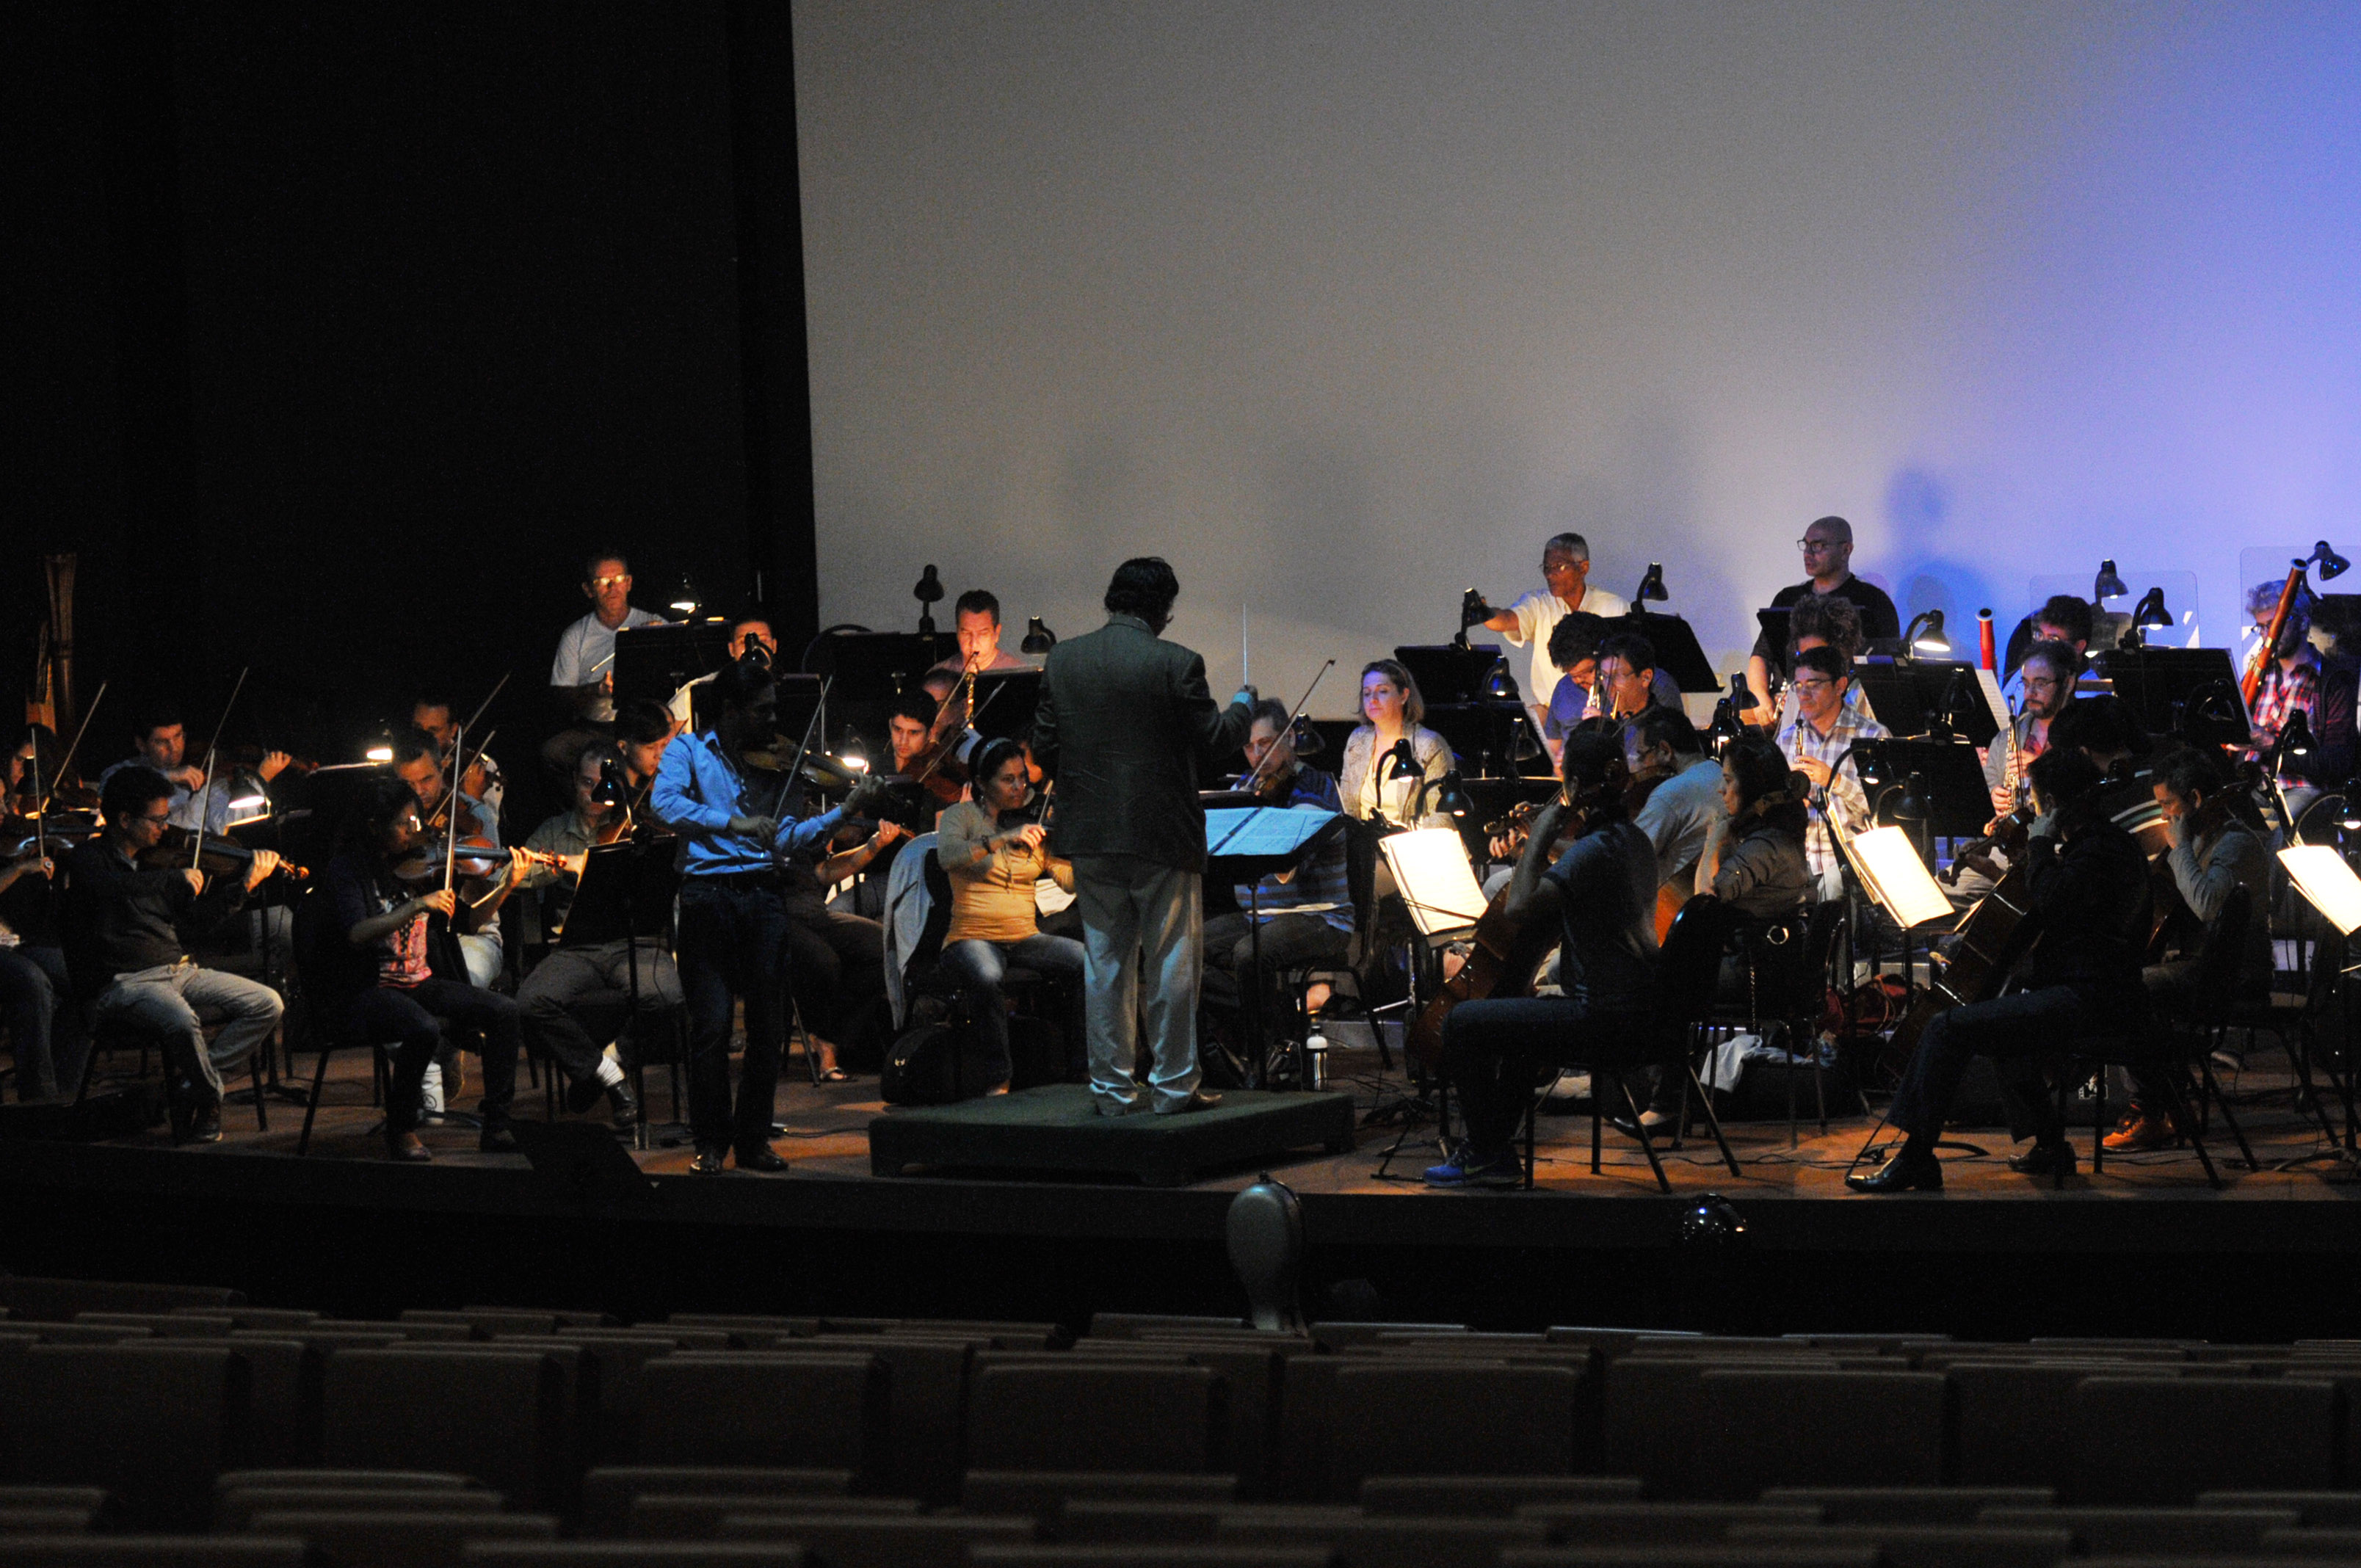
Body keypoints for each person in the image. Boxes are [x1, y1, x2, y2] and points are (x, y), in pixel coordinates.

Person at [1849, 747, 2153, 1191]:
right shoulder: (2109, 845)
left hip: (2091, 1002)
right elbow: (2056, 903)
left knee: (1945, 1027)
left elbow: (2052, 902)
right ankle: (2050, 1144)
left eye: (2038, 799)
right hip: (2103, 995)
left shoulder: (2097, 854)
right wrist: (2020, 858)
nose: (2033, 809)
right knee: (2008, 1032)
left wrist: (2041, 845)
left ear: (2054, 803)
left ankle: (1916, 1157)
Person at [1032, 556, 1254, 1117]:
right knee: (1172, 961)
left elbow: (1043, 746)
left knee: (1105, 964)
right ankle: (1174, 1087)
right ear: (1163, 609)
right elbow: (1215, 741)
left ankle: (1111, 1091)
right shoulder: (1176, 663)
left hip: (1089, 833)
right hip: (1162, 834)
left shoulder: (1064, 660)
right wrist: (1245, 708)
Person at [654, 658, 894, 1171]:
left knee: (768, 1024)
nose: (771, 721)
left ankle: (754, 1139)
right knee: (712, 1027)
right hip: (706, 895)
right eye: (761, 711)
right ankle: (711, 1141)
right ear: (731, 708)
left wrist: (845, 811)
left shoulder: (775, 763)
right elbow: (666, 805)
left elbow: (787, 838)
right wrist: (733, 822)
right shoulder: (688, 750)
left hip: (763, 895)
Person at [1424, 731, 1659, 1188]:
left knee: (1462, 1022)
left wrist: (1540, 836)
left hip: (1600, 1019)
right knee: (1522, 1032)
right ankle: (1492, 1151)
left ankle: (1486, 1151)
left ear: (1572, 785)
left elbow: (1518, 907)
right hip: (1635, 1015)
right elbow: (1580, 862)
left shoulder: (1598, 848)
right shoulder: (1631, 839)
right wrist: (1541, 843)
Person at [66, 766, 286, 1144]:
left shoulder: (158, 860)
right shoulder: (88, 860)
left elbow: (196, 925)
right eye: (157, 819)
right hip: (124, 983)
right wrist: (172, 878)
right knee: (181, 1020)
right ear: (124, 819)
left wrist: (244, 886)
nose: (165, 828)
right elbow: (113, 889)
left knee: (267, 1003)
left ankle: (191, 1086)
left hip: (179, 970)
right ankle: (210, 1100)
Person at [316, 775, 526, 1161]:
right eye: (403, 825)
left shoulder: (420, 866)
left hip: (419, 981)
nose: (415, 833)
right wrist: (415, 905)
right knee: (422, 1027)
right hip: (368, 986)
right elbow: (357, 933)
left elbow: (470, 922)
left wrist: (507, 886)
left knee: (505, 1011)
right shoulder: (348, 870)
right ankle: (401, 1128)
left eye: (417, 822)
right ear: (375, 827)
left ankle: (498, 1124)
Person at [512, 738, 683, 1134]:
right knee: (531, 1001)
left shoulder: (641, 828)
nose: (594, 794)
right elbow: (519, 877)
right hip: (575, 949)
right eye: (587, 783)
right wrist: (554, 868)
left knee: (667, 997)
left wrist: (594, 863)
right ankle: (612, 1077)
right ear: (574, 782)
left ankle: (607, 1064)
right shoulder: (554, 832)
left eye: (602, 785)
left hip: (636, 943)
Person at [2106, 749, 2274, 1152]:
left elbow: (2205, 904)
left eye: (2167, 805)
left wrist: (2180, 849)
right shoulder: (2205, 838)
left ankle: (2152, 1109)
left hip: (2233, 976)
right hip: (2200, 965)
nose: (2163, 816)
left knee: (2129, 990)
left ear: (2196, 800)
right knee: (2126, 983)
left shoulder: (2235, 845)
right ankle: (2167, 1100)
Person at [932, 738, 1083, 1094]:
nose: (1019, 788)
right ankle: (998, 1079)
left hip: (1024, 936)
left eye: (1022, 779)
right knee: (987, 974)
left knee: (1085, 962)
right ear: (983, 784)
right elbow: (948, 857)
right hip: (970, 936)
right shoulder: (962, 816)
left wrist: (1082, 849)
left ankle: (1083, 1070)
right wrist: (1002, 838)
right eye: (1007, 780)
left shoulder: (1034, 825)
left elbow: (1068, 882)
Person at [1203, 700, 1353, 1020]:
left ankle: (1268, 1043)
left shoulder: (1316, 788)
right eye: (1248, 746)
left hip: (1320, 918)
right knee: (1184, 949)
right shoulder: (1243, 788)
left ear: (1291, 739)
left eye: (1266, 743)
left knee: (1249, 953)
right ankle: (1278, 1018)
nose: (1257, 756)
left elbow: (1288, 868)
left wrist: (1263, 818)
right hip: (1259, 914)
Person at [1745, 517, 1901, 723]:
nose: (1808, 553)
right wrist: (1761, 699)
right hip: (1783, 708)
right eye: (1806, 545)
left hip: (1844, 711)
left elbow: (1885, 673)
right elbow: (1761, 656)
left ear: (1846, 550)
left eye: (1818, 546)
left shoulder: (1874, 602)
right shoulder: (1788, 598)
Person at [1476, 533, 1631, 734]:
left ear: (1583, 567)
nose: (1550, 575)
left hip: (1605, 712)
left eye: (1559, 566)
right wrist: (1484, 613)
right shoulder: (1538, 604)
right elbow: (1507, 619)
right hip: (1553, 715)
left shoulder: (1614, 607)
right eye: (1547, 568)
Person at [1774, 645, 1887, 899]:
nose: (1803, 694)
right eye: (1798, 685)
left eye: (1813, 685)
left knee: (1834, 888)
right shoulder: (1787, 740)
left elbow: (1883, 808)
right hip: (1797, 856)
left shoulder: (1872, 736)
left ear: (1840, 686)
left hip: (1849, 855)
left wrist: (1834, 781)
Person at [543, 549, 664, 785]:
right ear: (588, 589)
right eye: (602, 582)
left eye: (618, 579)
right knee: (552, 752)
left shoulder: (652, 623)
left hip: (642, 728)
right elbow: (561, 695)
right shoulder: (576, 635)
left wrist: (656, 641)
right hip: (595, 730)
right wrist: (596, 691)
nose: (612, 587)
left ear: (629, 583)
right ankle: (588, 814)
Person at [95, 708, 291, 834]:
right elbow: (111, 794)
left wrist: (261, 778)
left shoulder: (208, 777)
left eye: (178, 737)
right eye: (162, 742)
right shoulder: (122, 772)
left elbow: (228, 822)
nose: (174, 749)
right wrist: (167, 777)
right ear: (142, 744)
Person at [1339, 660, 1454, 830]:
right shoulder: (1357, 740)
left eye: (1382, 691)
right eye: (1367, 693)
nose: (1373, 700)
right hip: (1365, 849)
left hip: (1414, 847)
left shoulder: (1429, 744)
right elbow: (1347, 809)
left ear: (1404, 696)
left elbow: (1440, 817)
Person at [1630, 708, 1726, 904]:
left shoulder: (1670, 794)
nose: (1640, 765)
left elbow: (1628, 859)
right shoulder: (1717, 772)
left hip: (1670, 909)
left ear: (1665, 750)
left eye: (1642, 755)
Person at [1984, 639, 2077, 814]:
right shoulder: (2004, 741)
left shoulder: (2087, 735)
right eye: (2026, 683)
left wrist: (2041, 771)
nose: (2029, 692)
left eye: (2040, 684)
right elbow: (1988, 789)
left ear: (2068, 684)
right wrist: (1993, 797)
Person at [667, 612, 779, 728]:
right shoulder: (696, 692)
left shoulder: (792, 686)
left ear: (774, 646)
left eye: (763, 641)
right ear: (732, 649)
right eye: (743, 642)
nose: (754, 648)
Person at [921, 589, 1031, 703]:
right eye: (966, 633)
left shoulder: (1019, 676)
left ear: (996, 634)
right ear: (957, 632)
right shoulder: (937, 678)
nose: (973, 643)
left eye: (982, 634)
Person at [411, 691, 504, 821]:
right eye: (418, 728)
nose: (423, 738)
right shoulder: (403, 759)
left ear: (453, 730)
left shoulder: (480, 765)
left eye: (433, 731)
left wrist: (474, 799)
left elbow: (490, 831)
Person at [1593, 631, 1676, 725]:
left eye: (1616, 676)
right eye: (1604, 676)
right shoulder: (1607, 714)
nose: (1608, 686)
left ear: (1646, 678)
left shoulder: (1663, 726)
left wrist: (1608, 729)